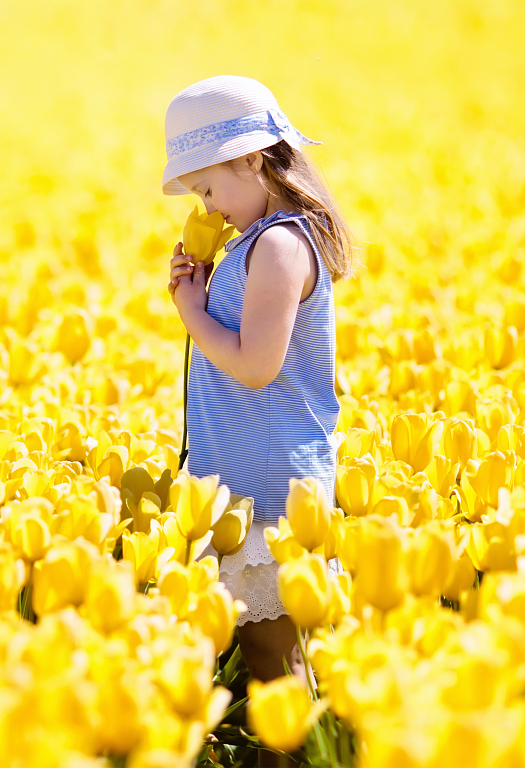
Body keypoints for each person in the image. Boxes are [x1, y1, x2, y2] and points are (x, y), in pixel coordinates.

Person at [162, 74, 356, 736]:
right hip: (244, 476)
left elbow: (254, 365)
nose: (207, 206)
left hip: (273, 487)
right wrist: (210, 284)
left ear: (252, 158)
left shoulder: (278, 245)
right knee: (263, 659)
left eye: (209, 188)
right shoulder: (254, 243)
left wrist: (191, 311)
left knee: (277, 662)